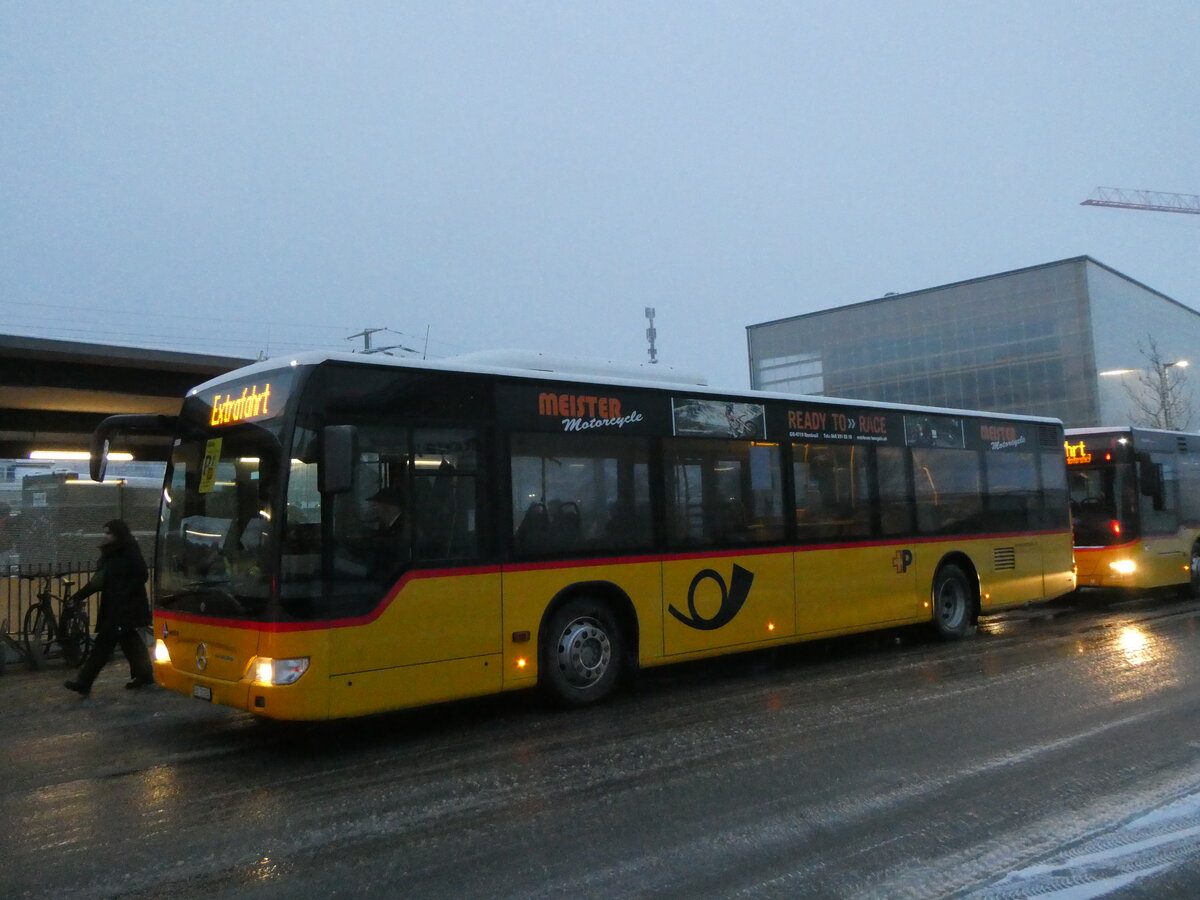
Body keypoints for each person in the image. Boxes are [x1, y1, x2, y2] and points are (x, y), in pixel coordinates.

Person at [64, 519, 155, 696]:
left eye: (109, 533)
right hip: (115, 607)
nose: (105, 536)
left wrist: (124, 592)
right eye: (105, 532)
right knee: (130, 642)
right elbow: (98, 581)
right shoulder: (111, 554)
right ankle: (145, 675)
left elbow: (142, 575)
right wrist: (77, 597)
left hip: (124, 608)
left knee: (103, 645)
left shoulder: (129, 551)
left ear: (118, 534)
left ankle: (84, 682)